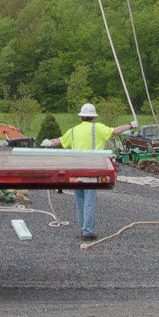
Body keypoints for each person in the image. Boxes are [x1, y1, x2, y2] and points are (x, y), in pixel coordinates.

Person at [62, 102, 113, 242]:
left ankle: (83, 228)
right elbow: (115, 131)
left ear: (80, 117)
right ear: (93, 117)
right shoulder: (97, 128)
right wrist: (131, 125)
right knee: (89, 200)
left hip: (76, 170)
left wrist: (48, 142)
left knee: (80, 200)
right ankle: (87, 232)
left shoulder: (73, 130)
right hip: (91, 170)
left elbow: (60, 142)